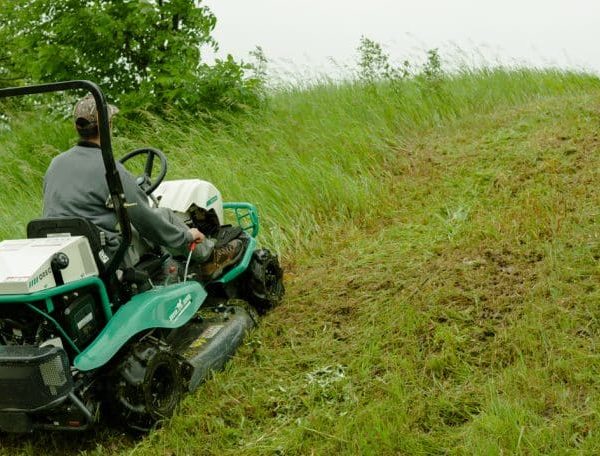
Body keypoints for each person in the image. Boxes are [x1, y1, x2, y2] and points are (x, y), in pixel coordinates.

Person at [43, 94, 242, 280]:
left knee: (131, 225)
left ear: (77, 127)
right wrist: (186, 235)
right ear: (108, 125)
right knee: (163, 215)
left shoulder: (55, 164)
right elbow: (146, 220)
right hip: (108, 258)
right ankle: (209, 256)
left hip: (67, 254)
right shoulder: (110, 169)